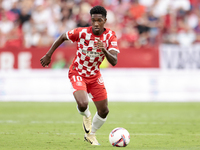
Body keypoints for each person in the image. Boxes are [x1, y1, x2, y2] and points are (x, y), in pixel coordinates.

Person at [40, 6, 120, 145]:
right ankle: (87, 116)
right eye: (93, 20)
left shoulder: (110, 36)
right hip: (78, 72)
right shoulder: (82, 32)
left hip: (95, 76)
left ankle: (91, 134)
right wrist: (49, 54)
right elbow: (63, 36)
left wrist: (104, 49)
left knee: (104, 110)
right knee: (83, 104)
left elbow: (114, 61)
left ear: (105, 21)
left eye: (99, 20)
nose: (96, 23)